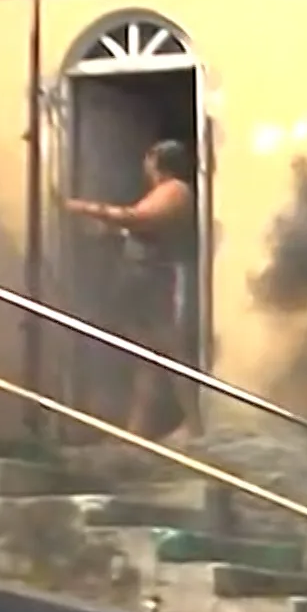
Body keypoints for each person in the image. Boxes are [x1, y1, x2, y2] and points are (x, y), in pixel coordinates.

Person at [63, 139, 198, 439]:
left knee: (171, 351)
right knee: (146, 358)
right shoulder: (160, 193)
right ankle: (137, 431)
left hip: (155, 278)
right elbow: (135, 228)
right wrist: (110, 232)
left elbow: (140, 219)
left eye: (148, 160)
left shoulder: (175, 190)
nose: (144, 167)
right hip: (141, 278)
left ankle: (195, 424)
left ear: (157, 161)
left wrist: (86, 208)